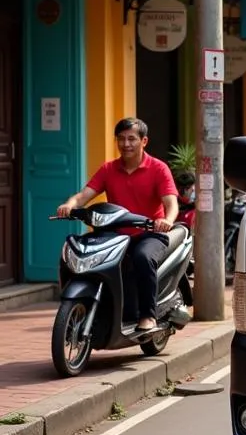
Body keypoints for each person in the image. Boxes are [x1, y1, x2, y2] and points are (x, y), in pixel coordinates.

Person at [57, 118, 179, 333]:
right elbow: (84, 195)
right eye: (121, 139)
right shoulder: (108, 169)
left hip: (150, 233)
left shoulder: (158, 169)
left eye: (132, 138)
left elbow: (171, 203)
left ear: (144, 141)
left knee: (142, 257)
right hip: (115, 235)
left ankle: (148, 315)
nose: (126, 144)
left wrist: (167, 221)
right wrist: (69, 205)